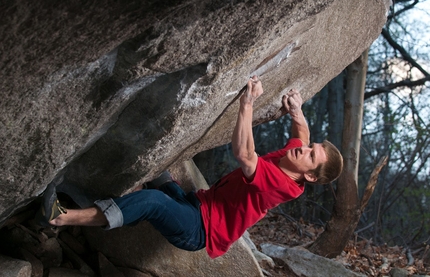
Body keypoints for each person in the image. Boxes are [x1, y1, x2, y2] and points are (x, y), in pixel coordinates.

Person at [38, 75, 343, 259]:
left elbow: (245, 154)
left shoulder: (278, 185)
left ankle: (61, 218)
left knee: (152, 201)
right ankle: (96, 199)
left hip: (199, 231)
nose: (305, 149)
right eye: (313, 148)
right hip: (197, 204)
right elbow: (302, 137)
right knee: (157, 175)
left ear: (310, 176)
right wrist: (298, 113)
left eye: (311, 156)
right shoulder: (295, 159)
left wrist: (247, 103)